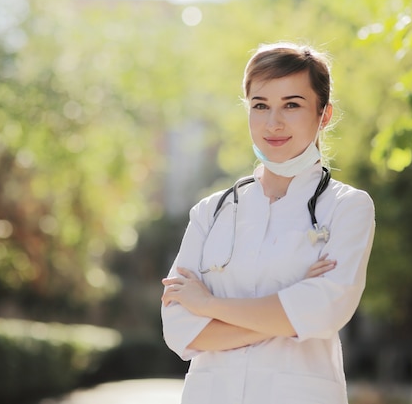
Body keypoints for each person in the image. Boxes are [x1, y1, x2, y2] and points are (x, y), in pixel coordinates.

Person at [160, 42, 375, 404]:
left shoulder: (348, 207)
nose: (273, 123)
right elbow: (179, 329)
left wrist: (208, 305)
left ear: (323, 114)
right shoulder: (210, 212)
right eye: (260, 105)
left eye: (292, 104)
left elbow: (323, 312)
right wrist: (286, 313)